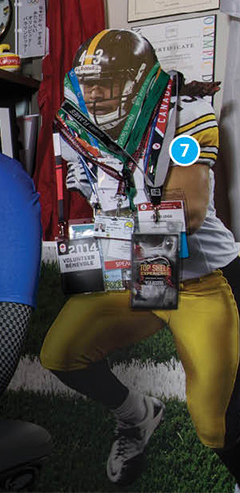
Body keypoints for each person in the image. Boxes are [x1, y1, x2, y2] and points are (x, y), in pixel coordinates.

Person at [40, 29, 240, 486]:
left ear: (137, 81)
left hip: (201, 280)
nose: (93, 93)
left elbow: (186, 212)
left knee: (214, 423)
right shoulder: (77, 124)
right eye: (87, 82)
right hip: (135, 271)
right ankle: (138, 415)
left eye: (104, 82)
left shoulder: (185, 114)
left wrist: (109, 227)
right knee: (62, 353)